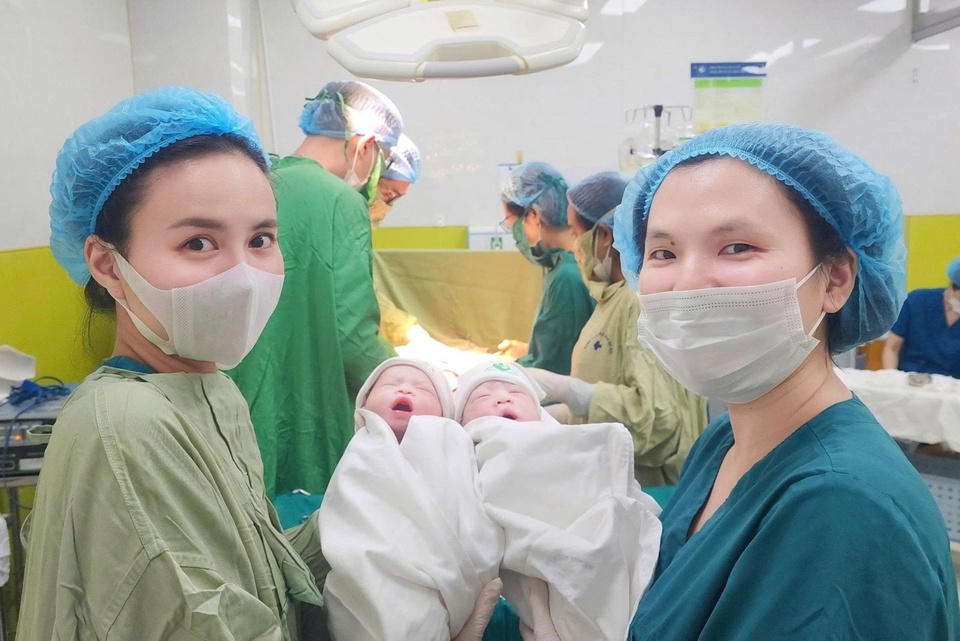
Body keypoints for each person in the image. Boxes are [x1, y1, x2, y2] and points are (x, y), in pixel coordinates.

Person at [614, 123, 959, 639]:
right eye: (663, 253)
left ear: (836, 279)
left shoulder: (842, 508)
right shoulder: (726, 440)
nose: (687, 283)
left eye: (736, 247)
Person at [19, 86, 327, 639]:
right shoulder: (127, 428)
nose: (243, 278)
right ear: (107, 265)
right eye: (198, 243)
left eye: (261, 239)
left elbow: (257, 576)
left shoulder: (209, 390)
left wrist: (376, 503)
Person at [228, 80, 401, 497]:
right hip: (306, 413)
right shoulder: (341, 200)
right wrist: (410, 379)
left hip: (233, 404)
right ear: (366, 145)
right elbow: (353, 337)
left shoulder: (256, 180)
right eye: (381, 159)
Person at [457, 361, 662, 641]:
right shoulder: (467, 450)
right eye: (483, 395)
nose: (503, 398)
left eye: (517, 393)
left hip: (595, 534)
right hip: (536, 558)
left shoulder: (566, 440)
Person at [530, 173, 707, 487]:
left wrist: (569, 391)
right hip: (613, 479)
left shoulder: (636, 303)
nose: (573, 247)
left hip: (652, 490)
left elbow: (657, 421)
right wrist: (553, 417)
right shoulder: (611, 298)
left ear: (604, 236)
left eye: (575, 233)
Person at [320, 357, 504, 641]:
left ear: (444, 413)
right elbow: (351, 514)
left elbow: (469, 510)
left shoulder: (451, 439)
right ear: (364, 404)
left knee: (421, 620)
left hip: (443, 576)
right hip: (371, 570)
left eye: (423, 389)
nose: (405, 390)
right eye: (389, 384)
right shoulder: (365, 448)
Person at [498, 162, 594, 375]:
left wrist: (495, 369)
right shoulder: (570, 264)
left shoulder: (567, 277)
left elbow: (551, 370)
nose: (516, 236)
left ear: (533, 215)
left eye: (512, 225)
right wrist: (530, 350)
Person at [882, 256, 960, 379]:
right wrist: (892, 379)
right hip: (910, 381)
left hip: (952, 386)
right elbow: (891, 348)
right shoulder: (917, 301)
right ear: (953, 287)